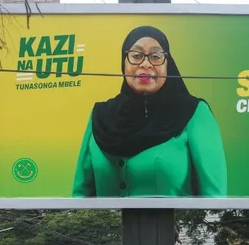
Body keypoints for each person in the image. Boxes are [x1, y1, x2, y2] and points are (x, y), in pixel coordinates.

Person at [72, 26, 227, 198]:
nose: (146, 64)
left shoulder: (193, 113)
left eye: (155, 56)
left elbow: (214, 198)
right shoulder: (100, 117)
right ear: (124, 62)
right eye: (136, 56)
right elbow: (80, 196)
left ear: (168, 64)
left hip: (174, 225)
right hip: (106, 226)